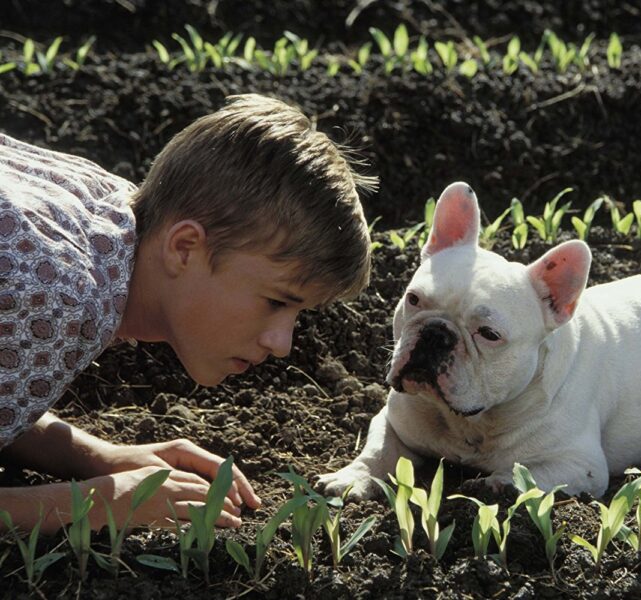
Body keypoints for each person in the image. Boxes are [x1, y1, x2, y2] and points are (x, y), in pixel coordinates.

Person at [0, 94, 376, 534]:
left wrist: (96, 456)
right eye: (276, 301)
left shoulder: (105, 216)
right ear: (184, 248)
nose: (281, 343)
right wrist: (100, 502)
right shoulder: (61, 296)